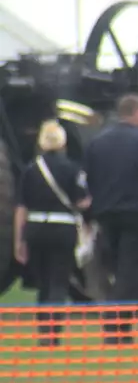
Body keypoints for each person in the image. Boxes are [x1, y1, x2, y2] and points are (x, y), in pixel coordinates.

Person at [83, 94, 138, 342]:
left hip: (106, 215)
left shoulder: (96, 143)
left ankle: (121, 328)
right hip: (135, 214)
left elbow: (89, 179)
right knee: (130, 272)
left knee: (117, 270)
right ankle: (114, 327)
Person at [13, 120, 89, 346]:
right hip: (63, 228)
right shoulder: (73, 169)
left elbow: (21, 208)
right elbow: (82, 201)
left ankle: (43, 331)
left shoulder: (30, 169)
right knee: (59, 279)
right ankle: (54, 331)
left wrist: (19, 240)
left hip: (36, 229)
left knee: (43, 282)